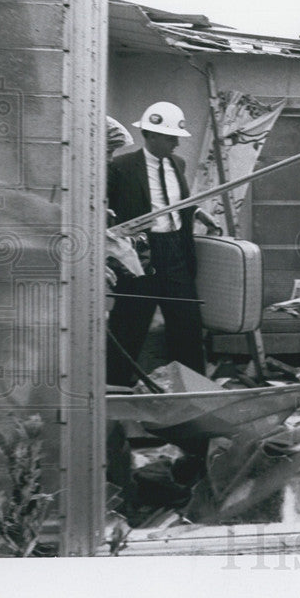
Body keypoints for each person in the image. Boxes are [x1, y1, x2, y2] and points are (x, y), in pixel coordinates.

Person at [106, 101, 218, 386]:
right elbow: (103, 210)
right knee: (129, 326)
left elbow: (179, 203)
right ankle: (114, 392)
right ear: (150, 135)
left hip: (175, 252)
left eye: (178, 137)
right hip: (140, 254)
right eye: (171, 137)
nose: (177, 144)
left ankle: (193, 392)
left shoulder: (177, 164)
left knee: (187, 326)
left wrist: (199, 213)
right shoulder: (121, 167)